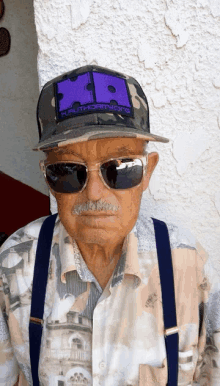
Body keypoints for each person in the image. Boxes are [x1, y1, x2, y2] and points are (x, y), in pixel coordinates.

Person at [0, 65, 219, 386]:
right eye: (68, 170)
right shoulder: (12, 267)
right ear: (47, 176)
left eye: (120, 167)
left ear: (147, 171)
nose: (94, 193)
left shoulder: (187, 264)